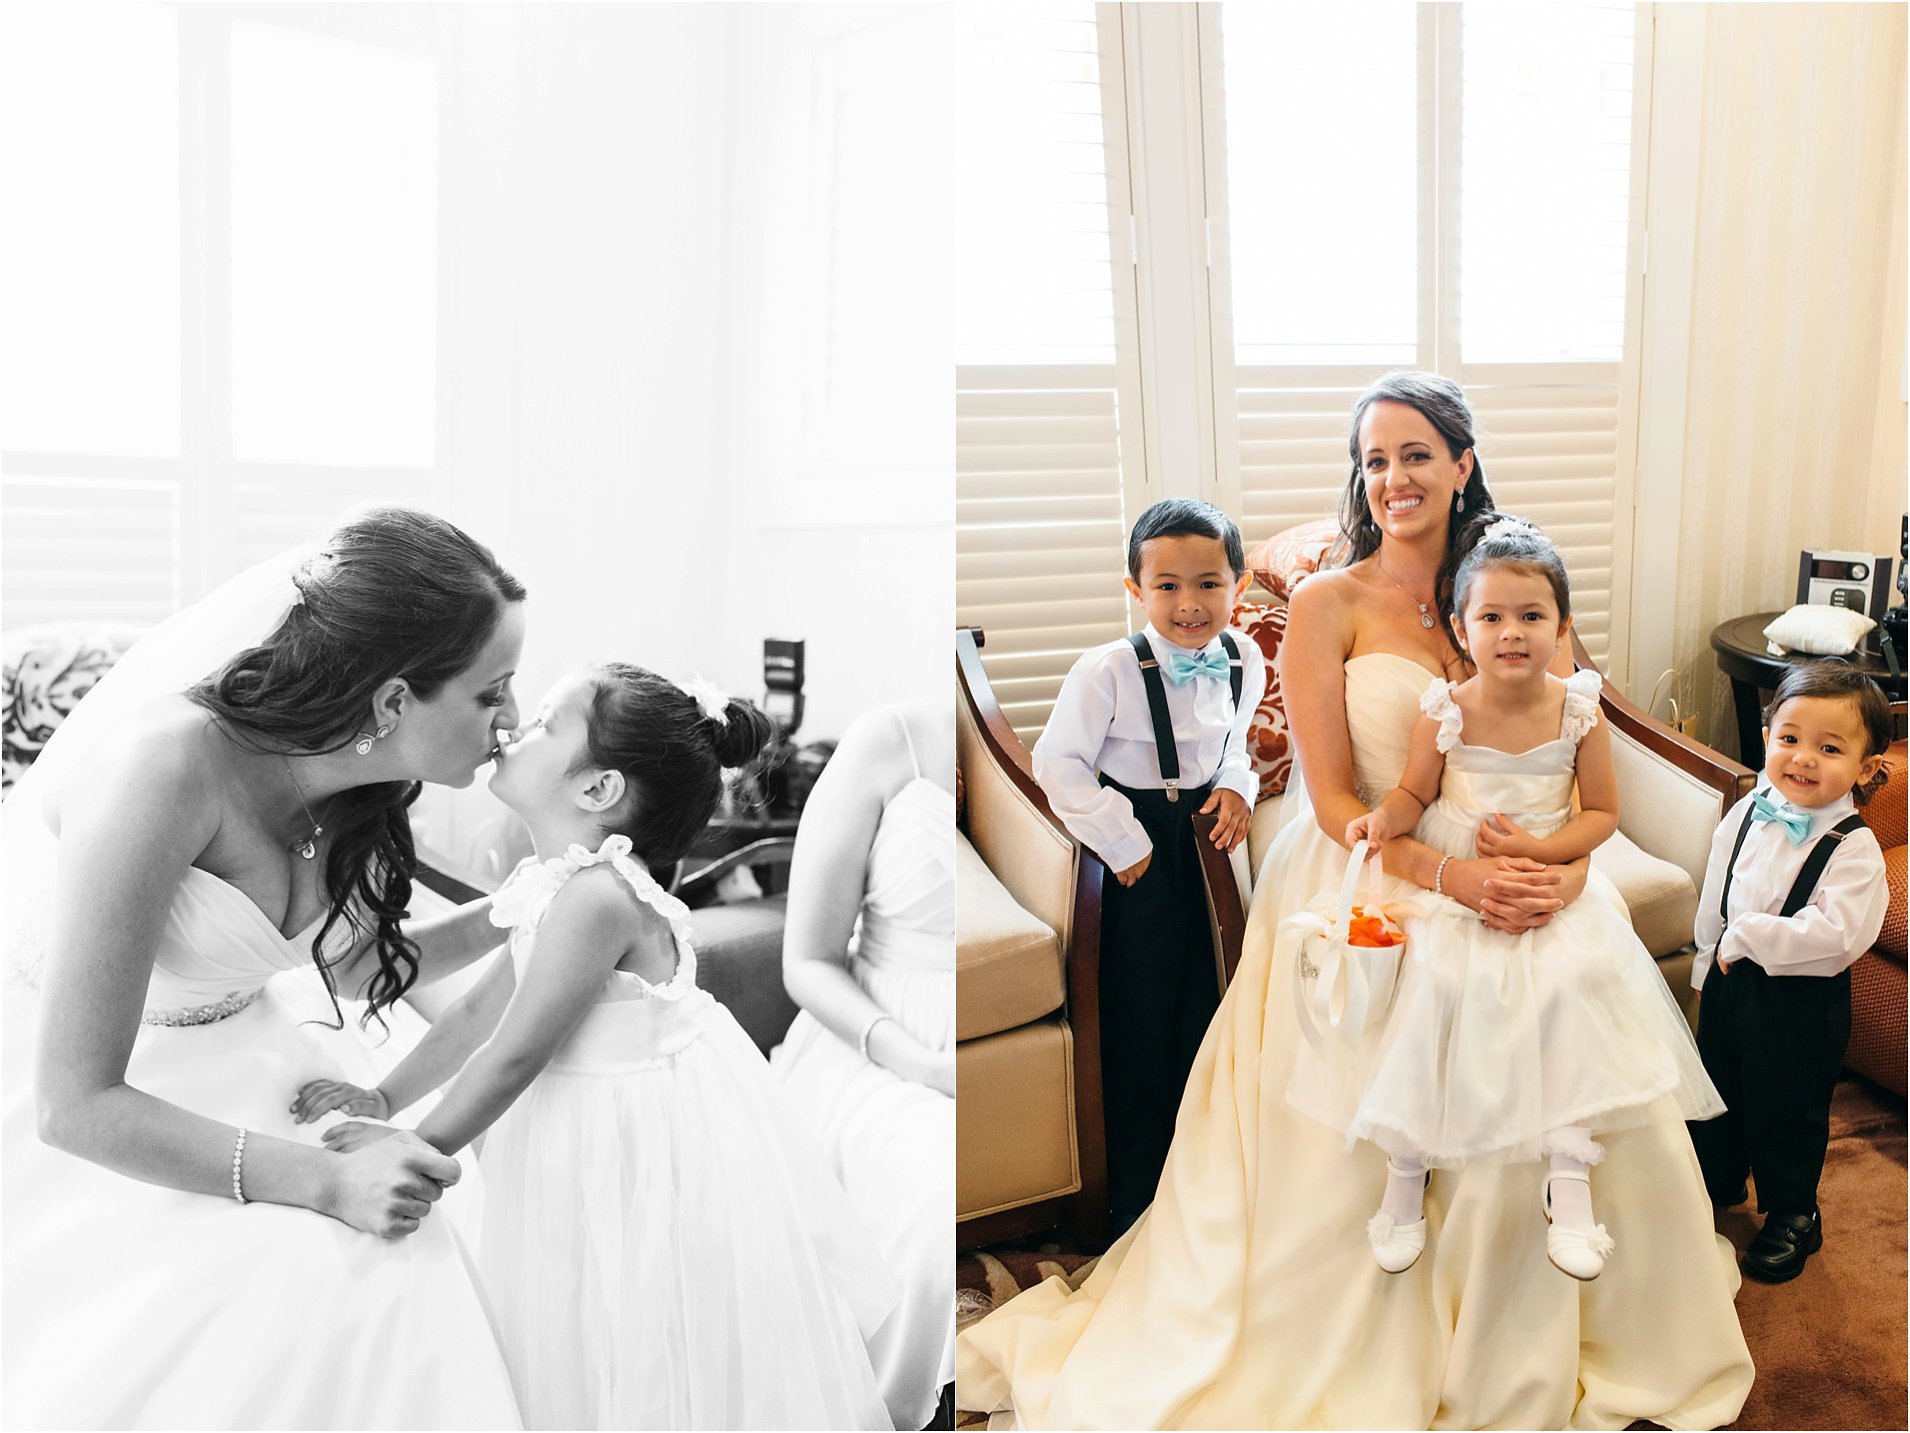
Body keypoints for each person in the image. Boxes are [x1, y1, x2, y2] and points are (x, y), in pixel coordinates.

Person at [956, 372, 1753, 1429]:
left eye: (1414, 452)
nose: (1391, 478)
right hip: (1375, 863)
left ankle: (1590, 1292)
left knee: (1559, 1016)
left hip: (1525, 861)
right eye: (1371, 459)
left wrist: (1559, 873)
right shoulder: (1330, 601)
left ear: (1461, 461)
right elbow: (1334, 801)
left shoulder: (1515, 578)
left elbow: (1575, 742)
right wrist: (1449, 875)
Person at [1, 506, 528, 1429]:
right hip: (107, 1096)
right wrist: (326, 1181)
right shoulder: (160, 770)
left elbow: (361, 971)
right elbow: (74, 1103)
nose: (512, 721)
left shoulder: (361, 780)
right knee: (316, 1281)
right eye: (492, 692)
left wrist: (521, 909)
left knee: (430, 1242)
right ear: (396, 701)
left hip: (255, 1052)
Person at [301, 664, 896, 1431]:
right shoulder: (548, 878)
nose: (517, 723)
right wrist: (383, 1092)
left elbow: (513, 1051)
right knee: (570, 1312)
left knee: (630, 1317)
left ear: (597, 790)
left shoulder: (596, 899)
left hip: (627, 1133)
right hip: (576, 1118)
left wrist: (413, 1145)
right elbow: (476, 1003)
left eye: (548, 721)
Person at [1325, 514, 1722, 1280]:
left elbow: (1602, 813)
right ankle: (1407, 1169)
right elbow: (1413, 790)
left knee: (1571, 987)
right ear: (1463, 627)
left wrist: (1543, 856)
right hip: (1461, 877)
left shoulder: (1579, 709)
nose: (1513, 632)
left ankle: (1568, 1175)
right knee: (1435, 985)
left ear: (1563, 627)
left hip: (1550, 875)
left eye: (1532, 616)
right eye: (1493, 617)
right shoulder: (1445, 708)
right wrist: (1385, 819)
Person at [1031, 497, 1262, 1233]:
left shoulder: (1244, 655)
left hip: (1204, 841)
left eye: (1208, 583)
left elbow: (1238, 743)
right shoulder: (1106, 670)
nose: (1189, 603)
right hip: (1131, 845)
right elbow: (1057, 763)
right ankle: (1134, 1194)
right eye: (1167, 586)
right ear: (1135, 589)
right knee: (1139, 1012)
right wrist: (1122, 842)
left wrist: (1237, 786)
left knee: (1208, 999)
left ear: (1240, 583)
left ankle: (1200, 1179)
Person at [770, 699, 956, 1430]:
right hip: (874, 1044)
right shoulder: (886, 743)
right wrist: (915, 1061)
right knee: (937, 1218)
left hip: (993, 1027)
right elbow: (807, 960)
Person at [1687, 660, 1891, 1282]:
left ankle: (1793, 1213)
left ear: (1865, 767)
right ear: (1769, 734)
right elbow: (1716, 888)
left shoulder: (1854, 850)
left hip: (1802, 1001)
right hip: (1729, 979)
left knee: (1787, 1106)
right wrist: (1706, 961)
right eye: (1790, 739)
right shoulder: (1751, 809)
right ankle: (1718, 1179)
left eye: (1829, 748)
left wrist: (1750, 935)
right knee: (1719, 1088)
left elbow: (1837, 938)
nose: (1803, 759)